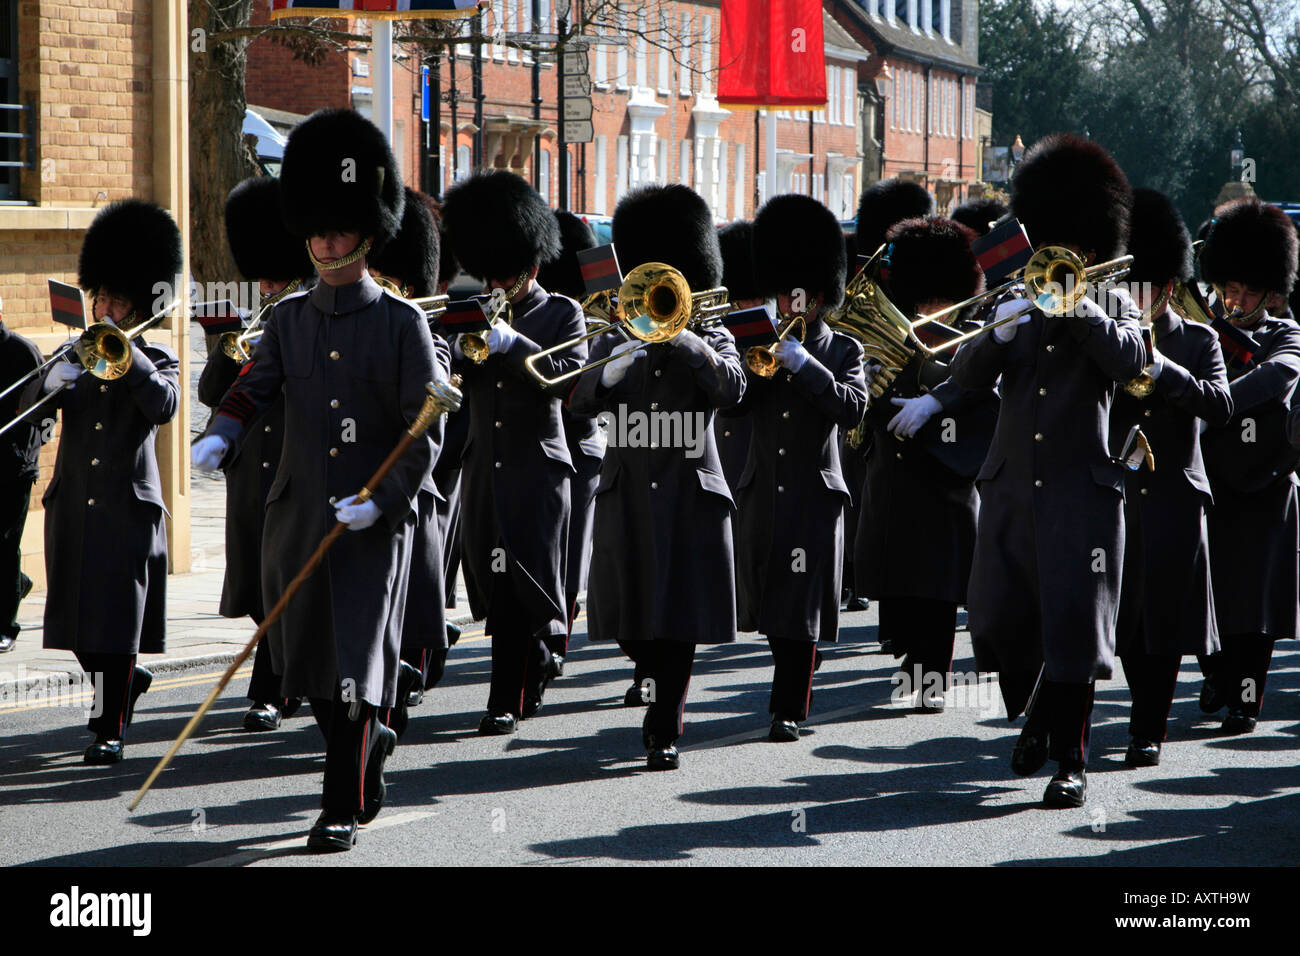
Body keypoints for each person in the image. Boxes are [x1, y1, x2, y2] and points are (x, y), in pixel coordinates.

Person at [193, 108, 446, 852]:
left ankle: (339, 803)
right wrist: (220, 436)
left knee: (357, 661)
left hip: (368, 524)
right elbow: (252, 386)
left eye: (341, 233)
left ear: (366, 235)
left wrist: (385, 499)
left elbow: (423, 425)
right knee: (306, 663)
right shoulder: (292, 318)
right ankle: (369, 744)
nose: (329, 245)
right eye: (320, 233)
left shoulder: (405, 326)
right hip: (297, 515)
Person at [950, 133, 1145, 807]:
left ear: (1092, 250)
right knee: (1001, 623)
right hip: (1010, 487)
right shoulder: (1009, 297)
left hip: (1078, 490)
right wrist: (997, 332)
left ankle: (1070, 760)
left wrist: (1081, 308)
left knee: (1073, 625)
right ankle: (1036, 707)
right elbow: (964, 376)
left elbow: (1133, 362)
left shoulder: (1113, 304)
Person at [569, 183, 746, 769]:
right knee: (627, 615)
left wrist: (688, 339)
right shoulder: (614, 330)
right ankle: (648, 676)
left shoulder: (713, 330)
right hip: (626, 489)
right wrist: (611, 368)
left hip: (689, 487)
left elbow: (734, 388)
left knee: (678, 617)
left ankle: (665, 724)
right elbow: (577, 404)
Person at [24, 199, 182, 764]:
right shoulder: (75, 351)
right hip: (74, 506)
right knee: (81, 628)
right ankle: (123, 682)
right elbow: (32, 414)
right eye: (101, 297)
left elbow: (164, 407)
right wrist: (50, 380)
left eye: (117, 299)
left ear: (137, 304)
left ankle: (108, 729)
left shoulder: (157, 356)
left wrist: (130, 355)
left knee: (116, 625)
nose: (105, 307)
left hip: (126, 507)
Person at [440, 169, 585, 735]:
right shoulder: (468, 311)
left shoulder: (562, 314)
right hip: (483, 466)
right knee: (495, 585)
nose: (499, 284)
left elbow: (569, 385)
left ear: (532, 263)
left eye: (509, 274)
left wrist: (515, 344)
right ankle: (535, 664)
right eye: (491, 274)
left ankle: (504, 698)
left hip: (538, 467)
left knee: (528, 583)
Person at [729, 194, 867, 741]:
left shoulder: (844, 349)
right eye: (785, 293)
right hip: (763, 485)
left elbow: (852, 408)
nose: (791, 303)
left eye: (800, 295)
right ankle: (792, 677)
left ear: (820, 297)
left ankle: (788, 705)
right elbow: (733, 404)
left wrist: (807, 366)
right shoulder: (756, 341)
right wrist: (758, 364)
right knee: (770, 598)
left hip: (814, 490)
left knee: (801, 603)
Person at [1109, 188, 1232, 765]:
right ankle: (1143, 710)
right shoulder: (1107, 338)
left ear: (1166, 287)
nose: (1136, 299)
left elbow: (1219, 404)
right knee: (1128, 620)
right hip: (1119, 491)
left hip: (1176, 493)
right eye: (1128, 287)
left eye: (1147, 288)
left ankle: (1147, 729)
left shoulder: (1199, 338)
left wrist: (1162, 367)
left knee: (1163, 617)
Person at [854, 216, 992, 712]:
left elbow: (982, 391)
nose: (931, 309)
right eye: (925, 300)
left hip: (947, 477)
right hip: (895, 474)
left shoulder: (975, 335)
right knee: (902, 583)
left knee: (937, 590)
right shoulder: (897, 333)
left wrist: (933, 403)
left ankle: (932, 679)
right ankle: (913, 663)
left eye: (939, 301)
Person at [197, 176, 315, 732]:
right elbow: (209, 394)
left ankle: (271, 689)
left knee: (283, 581)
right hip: (249, 473)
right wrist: (228, 347)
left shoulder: (314, 321)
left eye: (277, 276)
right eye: (263, 277)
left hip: (294, 468)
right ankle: (294, 674)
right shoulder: (254, 322)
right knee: (251, 583)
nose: (267, 286)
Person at [1198, 197, 1300, 734]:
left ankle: (1246, 697)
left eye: (1246, 291)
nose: (1234, 300)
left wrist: (1211, 398)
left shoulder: (1285, 333)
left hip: (1264, 481)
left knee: (1254, 600)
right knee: (1206, 590)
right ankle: (1215, 669)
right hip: (1211, 478)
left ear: (1270, 291)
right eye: (1228, 288)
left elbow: (1277, 378)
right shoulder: (1201, 332)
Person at [368, 186, 451, 737]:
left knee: (402, 615)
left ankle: (383, 718)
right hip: (348, 491)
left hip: (402, 495)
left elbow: (432, 401)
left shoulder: (427, 336)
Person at [536, 210, 604, 662]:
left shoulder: (589, 313)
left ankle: (558, 634)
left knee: (572, 554)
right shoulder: (543, 314)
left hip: (577, 442)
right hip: (535, 447)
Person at [0, 300, 43, 654]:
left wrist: (25, 456)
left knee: (5, 544)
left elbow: (44, 414)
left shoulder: (23, 352)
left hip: (13, 468)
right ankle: (18, 583)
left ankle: (6, 626)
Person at [714, 220, 763, 495]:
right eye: (748, 299)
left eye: (758, 298)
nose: (755, 305)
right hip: (724, 436)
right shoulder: (718, 326)